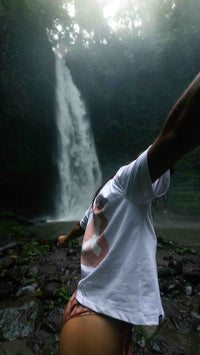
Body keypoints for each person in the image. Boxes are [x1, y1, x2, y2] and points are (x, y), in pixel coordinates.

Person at [57, 73, 200, 355]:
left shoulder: (98, 203)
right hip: (95, 320)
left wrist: (63, 238)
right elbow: (177, 134)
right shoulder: (125, 181)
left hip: (87, 307)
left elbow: (79, 227)